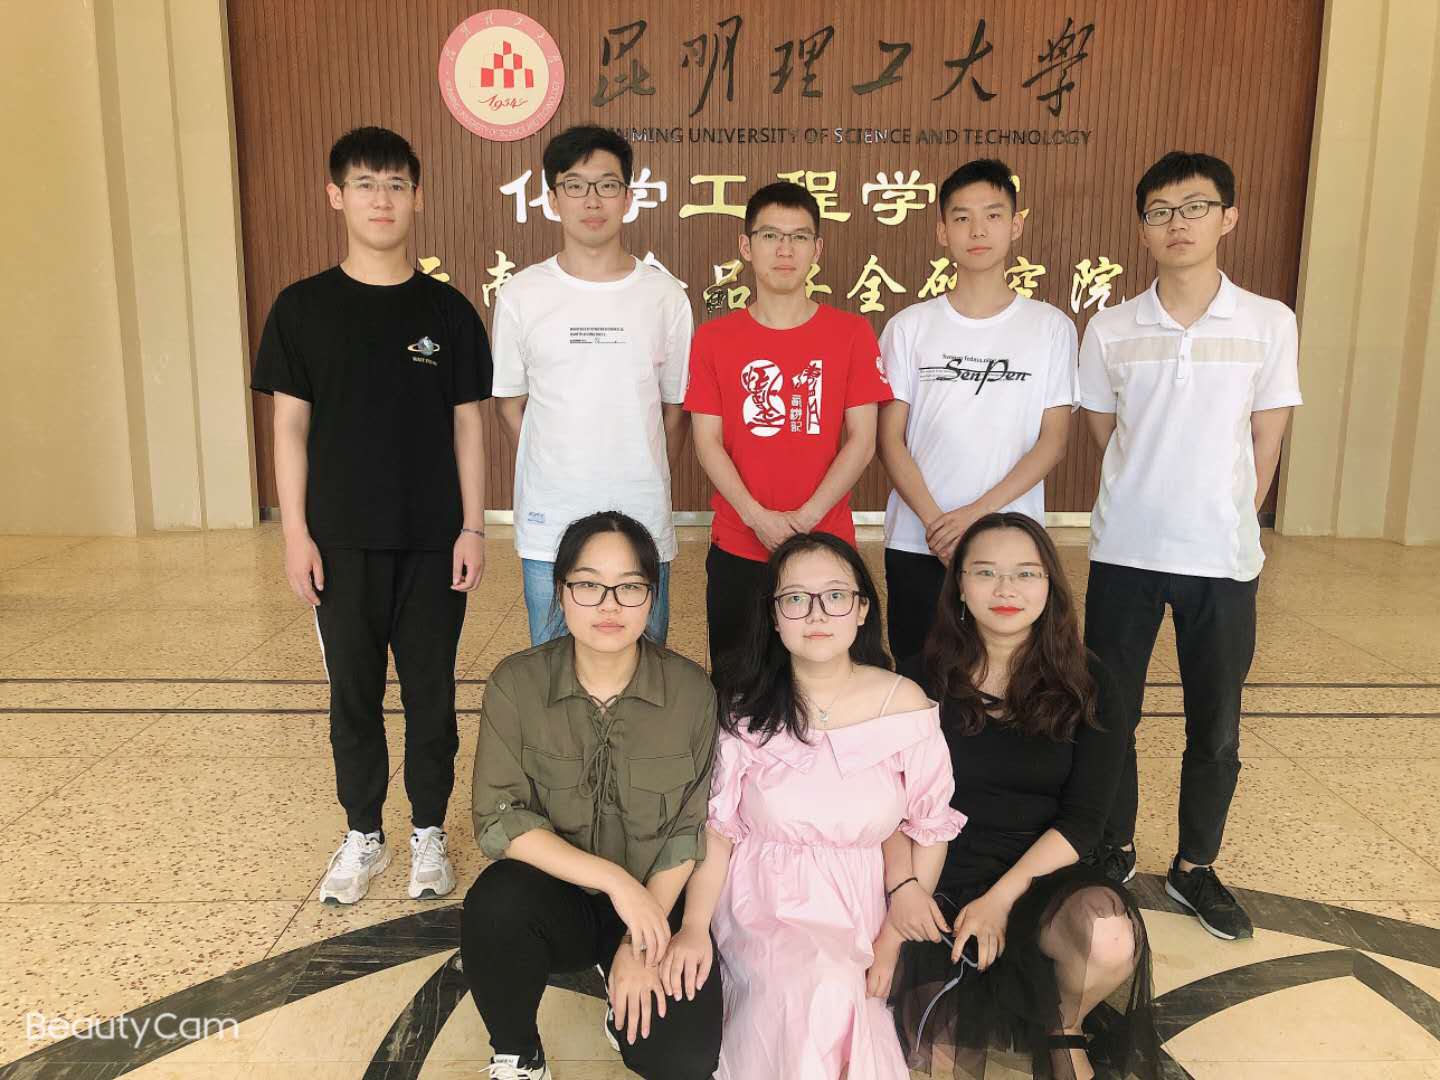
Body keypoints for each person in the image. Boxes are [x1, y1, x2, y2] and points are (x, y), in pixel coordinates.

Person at [250, 126, 490, 905]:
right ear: (336, 196)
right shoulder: (302, 308)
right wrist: (295, 534)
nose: (380, 199)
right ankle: (363, 834)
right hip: (339, 543)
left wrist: (473, 527)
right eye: (364, 184)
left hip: (432, 543)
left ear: (416, 197)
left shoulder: (448, 312)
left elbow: (468, 426)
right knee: (352, 696)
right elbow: (289, 428)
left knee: (431, 698)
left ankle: (428, 832)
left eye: (395, 185)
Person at [1079, 151, 1303, 940]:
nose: (1177, 223)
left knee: (1217, 722)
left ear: (1228, 217)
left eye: (1196, 207)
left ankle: (1194, 867)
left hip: (1222, 561)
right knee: (1110, 713)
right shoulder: (1110, 328)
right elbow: (1106, 431)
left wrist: (1233, 517)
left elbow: (1267, 440)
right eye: (1160, 211)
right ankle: (1113, 845)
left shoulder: (1269, 322)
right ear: (1142, 228)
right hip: (1125, 553)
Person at [659, 532, 963, 1079]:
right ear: (773, 616)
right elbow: (719, 830)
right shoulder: (744, 709)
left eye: (836, 596)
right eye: (796, 598)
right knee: (816, 985)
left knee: (837, 990)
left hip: (862, 899)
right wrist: (695, 926)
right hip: (763, 897)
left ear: (862, 610)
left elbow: (929, 826)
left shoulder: (903, 704)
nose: (816, 614)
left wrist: (891, 940)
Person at [883, 513, 1157, 1080]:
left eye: (1026, 573)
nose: (1006, 589)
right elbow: (885, 802)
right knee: (942, 1051)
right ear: (959, 586)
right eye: (985, 572)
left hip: (1041, 869)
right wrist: (906, 887)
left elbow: (1085, 820)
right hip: (939, 869)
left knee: (1107, 936)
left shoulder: (1091, 683)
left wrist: (1001, 899)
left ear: (1050, 585)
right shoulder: (916, 679)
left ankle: (1063, 1023)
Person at [463, 512, 723, 1080]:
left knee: (681, 1059)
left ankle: (619, 989)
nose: (609, 605)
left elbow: (690, 828)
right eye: (588, 585)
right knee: (495, 905)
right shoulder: (517, 684)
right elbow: (501, 820)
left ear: (652, 596)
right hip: (558, 897)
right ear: (560, 591)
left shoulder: (691, 692)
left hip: (658, 898)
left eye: (629, 587)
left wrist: (640, 934)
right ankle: (517, 1051)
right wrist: (616, 883)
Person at [491, 125, 692, 646]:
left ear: (628, 196)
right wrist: (553, 465)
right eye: (575, 185)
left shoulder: (665, 296)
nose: (592, 200)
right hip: (550, 521)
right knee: (553, 665)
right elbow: (510, 405)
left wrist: (644, 471)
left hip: (642, 516)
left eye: (607, 185)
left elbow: (675, 410)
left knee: (645, 667)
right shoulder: (521, 294)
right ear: (552, 198)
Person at [686, 181, 893, 671]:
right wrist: (758, 517)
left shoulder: (851, 333)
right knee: (737, 685)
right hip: (739, 543)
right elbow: (707, 443)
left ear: (817, 249)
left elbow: (862, 441)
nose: (785, 250)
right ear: (746, 246)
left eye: (799, 237)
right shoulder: (714, 338)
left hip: (827, 545)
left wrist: (805, 520)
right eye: (770, 236)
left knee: (828, 682)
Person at [878, 159, 1077, 666]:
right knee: (919, 677)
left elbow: (1053, 441)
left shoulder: (1050, 327)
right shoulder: (909, 327)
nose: (978, 230)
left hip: (1012, 547)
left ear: (1016, 225)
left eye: (992, 214)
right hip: (919, 540)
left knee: (1007, 678)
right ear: (942, 231)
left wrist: (975, 519)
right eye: (962, 217)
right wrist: (937, 524)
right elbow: (889, 440)